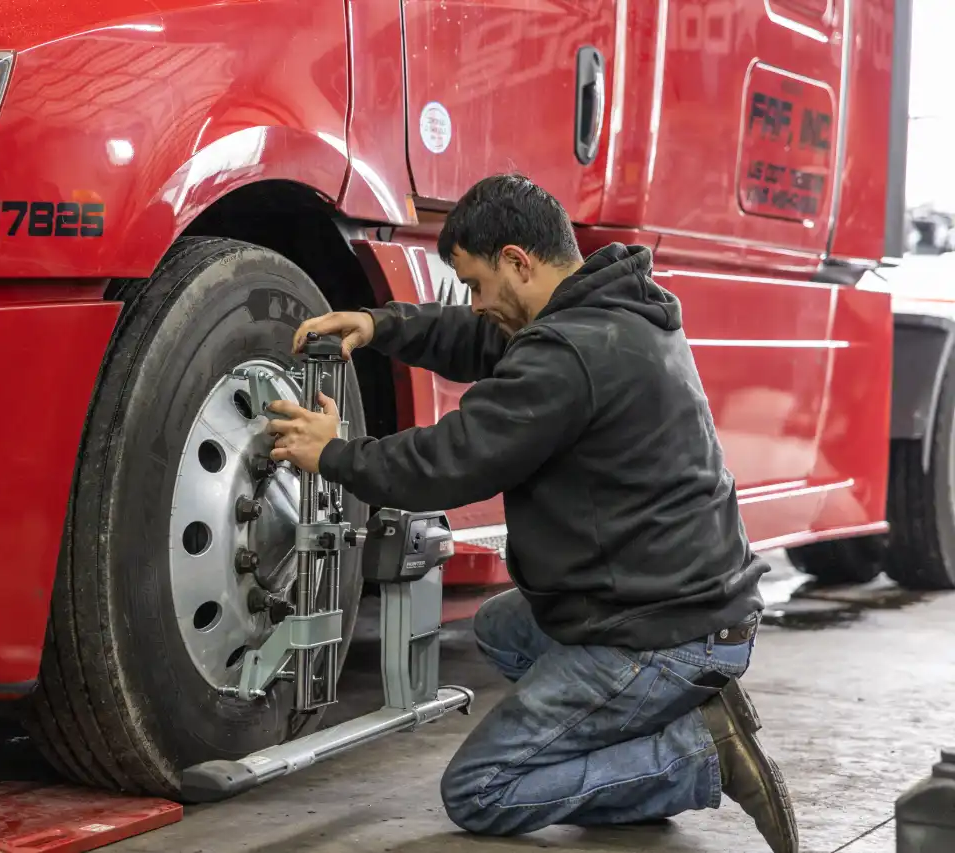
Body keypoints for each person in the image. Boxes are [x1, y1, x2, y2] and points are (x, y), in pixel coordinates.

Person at [263, 173, 799, 852]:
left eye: (477, 285)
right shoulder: (608, 312)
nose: (475, 304)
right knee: (503, 628)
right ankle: (650, 728)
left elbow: (450, 460)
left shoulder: (569, 353)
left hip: (664, 632)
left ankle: (695, 755)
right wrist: (379, 324)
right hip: (684, 607)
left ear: (518, 260)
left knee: (480, 790)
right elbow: (479, 338)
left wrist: (334, 453)